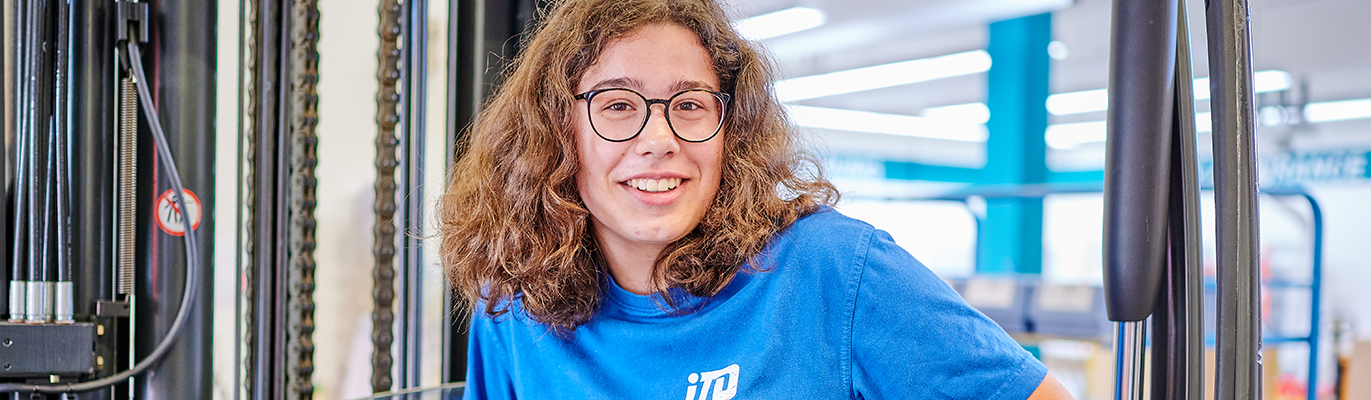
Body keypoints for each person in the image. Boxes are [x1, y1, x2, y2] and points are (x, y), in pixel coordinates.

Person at [439, 0, 1075, 398]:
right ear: (558, 133)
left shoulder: (836, 272)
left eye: (689, 105)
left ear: (731, 131)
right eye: (617, 106)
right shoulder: (515, 311)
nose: (658, 140)